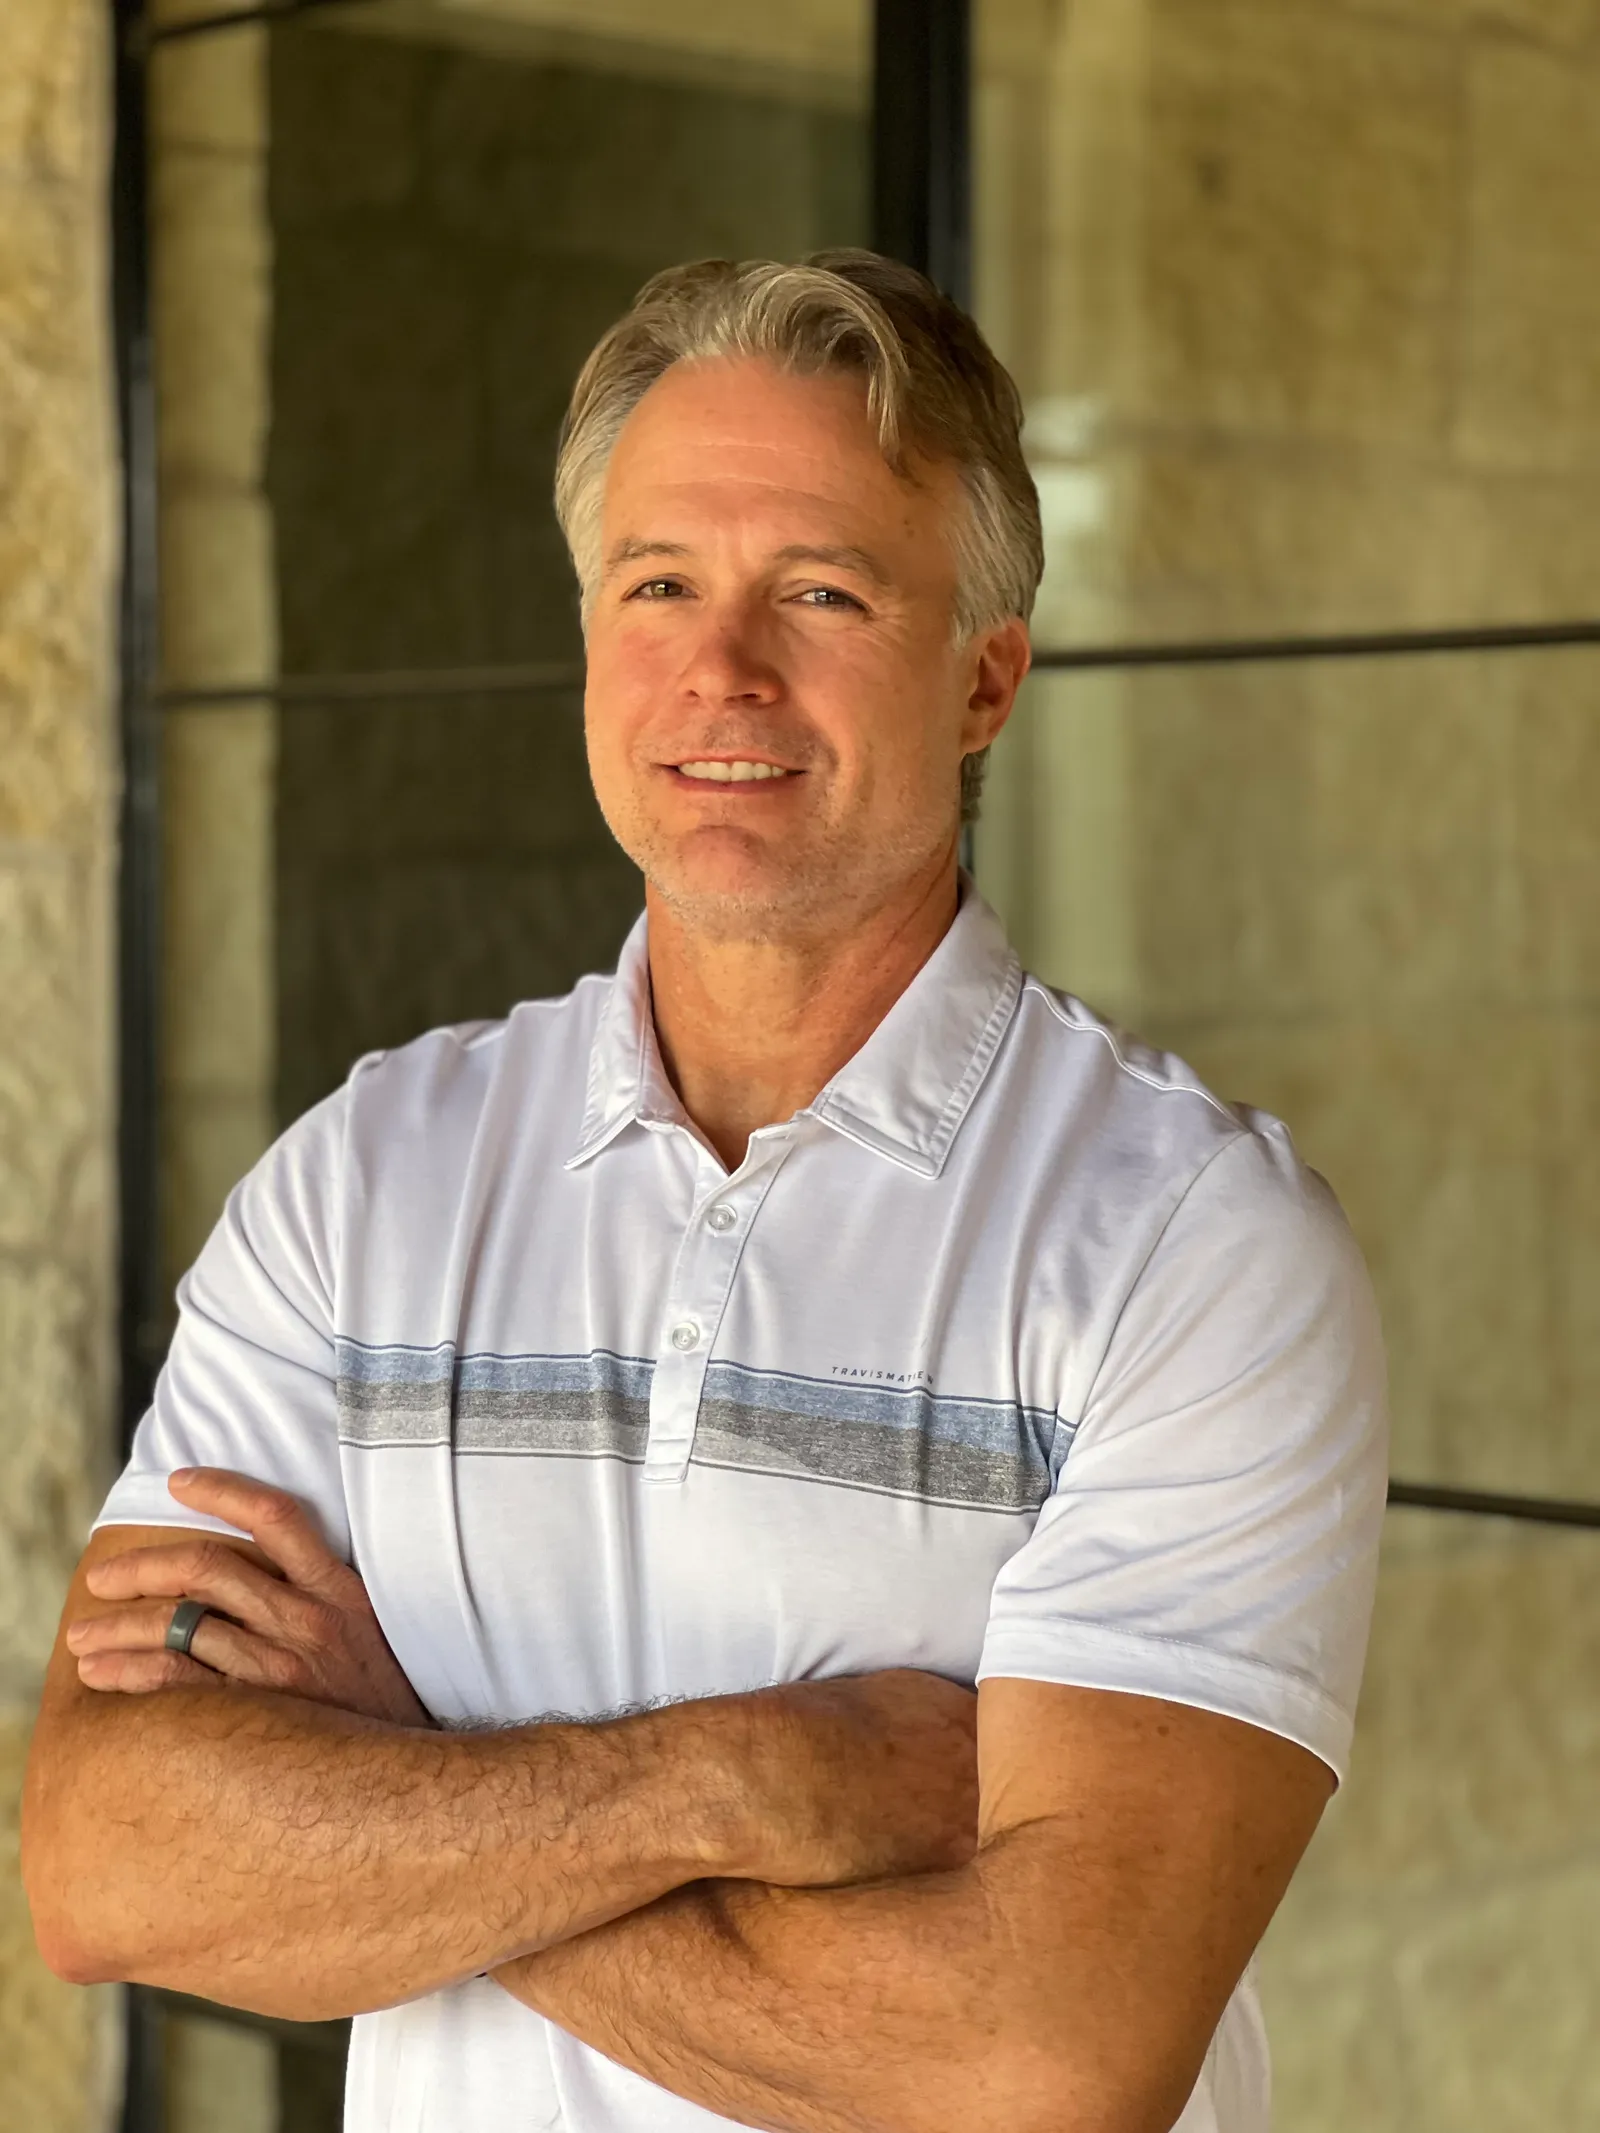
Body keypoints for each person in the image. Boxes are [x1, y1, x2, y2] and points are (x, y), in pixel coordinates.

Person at [23, 252, 1388, 2133]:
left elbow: (1043, 2064)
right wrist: (742, 1780)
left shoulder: (1193, 1249)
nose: (719, 669)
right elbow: (111, 1863)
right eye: (657, 583)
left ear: (984, 676)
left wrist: (397, 1777)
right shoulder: (367, 1184)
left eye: (820, 591)